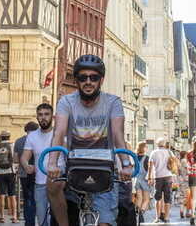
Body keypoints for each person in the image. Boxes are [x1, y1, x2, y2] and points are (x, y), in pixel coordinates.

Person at [46, 54, 132, 226]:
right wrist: (52, 162)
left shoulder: (113, 102)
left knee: (105, 223)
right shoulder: (66, 101)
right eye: (83, 77)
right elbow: (59, 131)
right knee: (52, 184)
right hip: (74, 160)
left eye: (94, 77)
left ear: (101, 80)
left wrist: (126, 164)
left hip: (104, 163)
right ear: (77, 80)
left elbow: (117, 134)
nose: (88, 82)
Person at [20, 103, 57, 226]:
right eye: (40, 115)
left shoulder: (60, 134)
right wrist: (26, 166)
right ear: (37, 117)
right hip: (40, 183)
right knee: (42, 220)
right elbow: (24, 157)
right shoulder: (32, 136)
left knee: (58, 219)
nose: (43, 117)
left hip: (59, 183)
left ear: (52, 116)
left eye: (46, 114)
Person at [14, 121, 39, 226]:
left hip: (23, 174)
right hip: (36, 173)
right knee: (34, 198)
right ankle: (32, 220)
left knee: (26, 198)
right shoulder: (38, 140)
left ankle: (28, 221)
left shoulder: (19, 141)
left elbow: (15, 159)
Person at [0, 130, 18, 222]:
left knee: (1, 195)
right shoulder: (12, 146)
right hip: (11, 172)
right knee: (12, 195)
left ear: (1, 137)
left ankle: (2, 216)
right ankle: (14, 217)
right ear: (9, 137)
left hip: (0, 173)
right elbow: (15, 159)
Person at [148, 138, 174, 223]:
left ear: (157, 144)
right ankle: (166, 217)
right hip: (168, 176)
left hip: (158, 177)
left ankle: (157, 217)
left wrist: (149, 177)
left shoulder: (154, 153)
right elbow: (175, 162)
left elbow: (150, 166)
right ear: (165, 144)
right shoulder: (169, 152)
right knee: (167, 198)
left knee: (157, 198)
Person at [133, 142, 153, 222]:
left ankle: (137, 213)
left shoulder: (134, 157)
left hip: (136, 180)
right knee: (146, 199)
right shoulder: (147, 158)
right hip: (144, 180)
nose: (147, 148)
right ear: (143, 148)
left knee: (139, 198)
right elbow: (149, 170)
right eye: (146, 147)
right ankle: (141, 212)